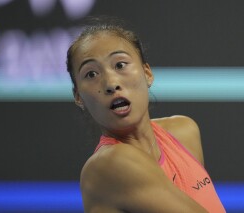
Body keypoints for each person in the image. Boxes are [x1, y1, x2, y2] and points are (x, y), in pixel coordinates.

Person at [66, 18, 226, 213]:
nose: (111, 83)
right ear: (78, 97)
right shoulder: (107, 165)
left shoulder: (184, 132)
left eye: (120, 65)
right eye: (91, 74)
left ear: (147, 73)